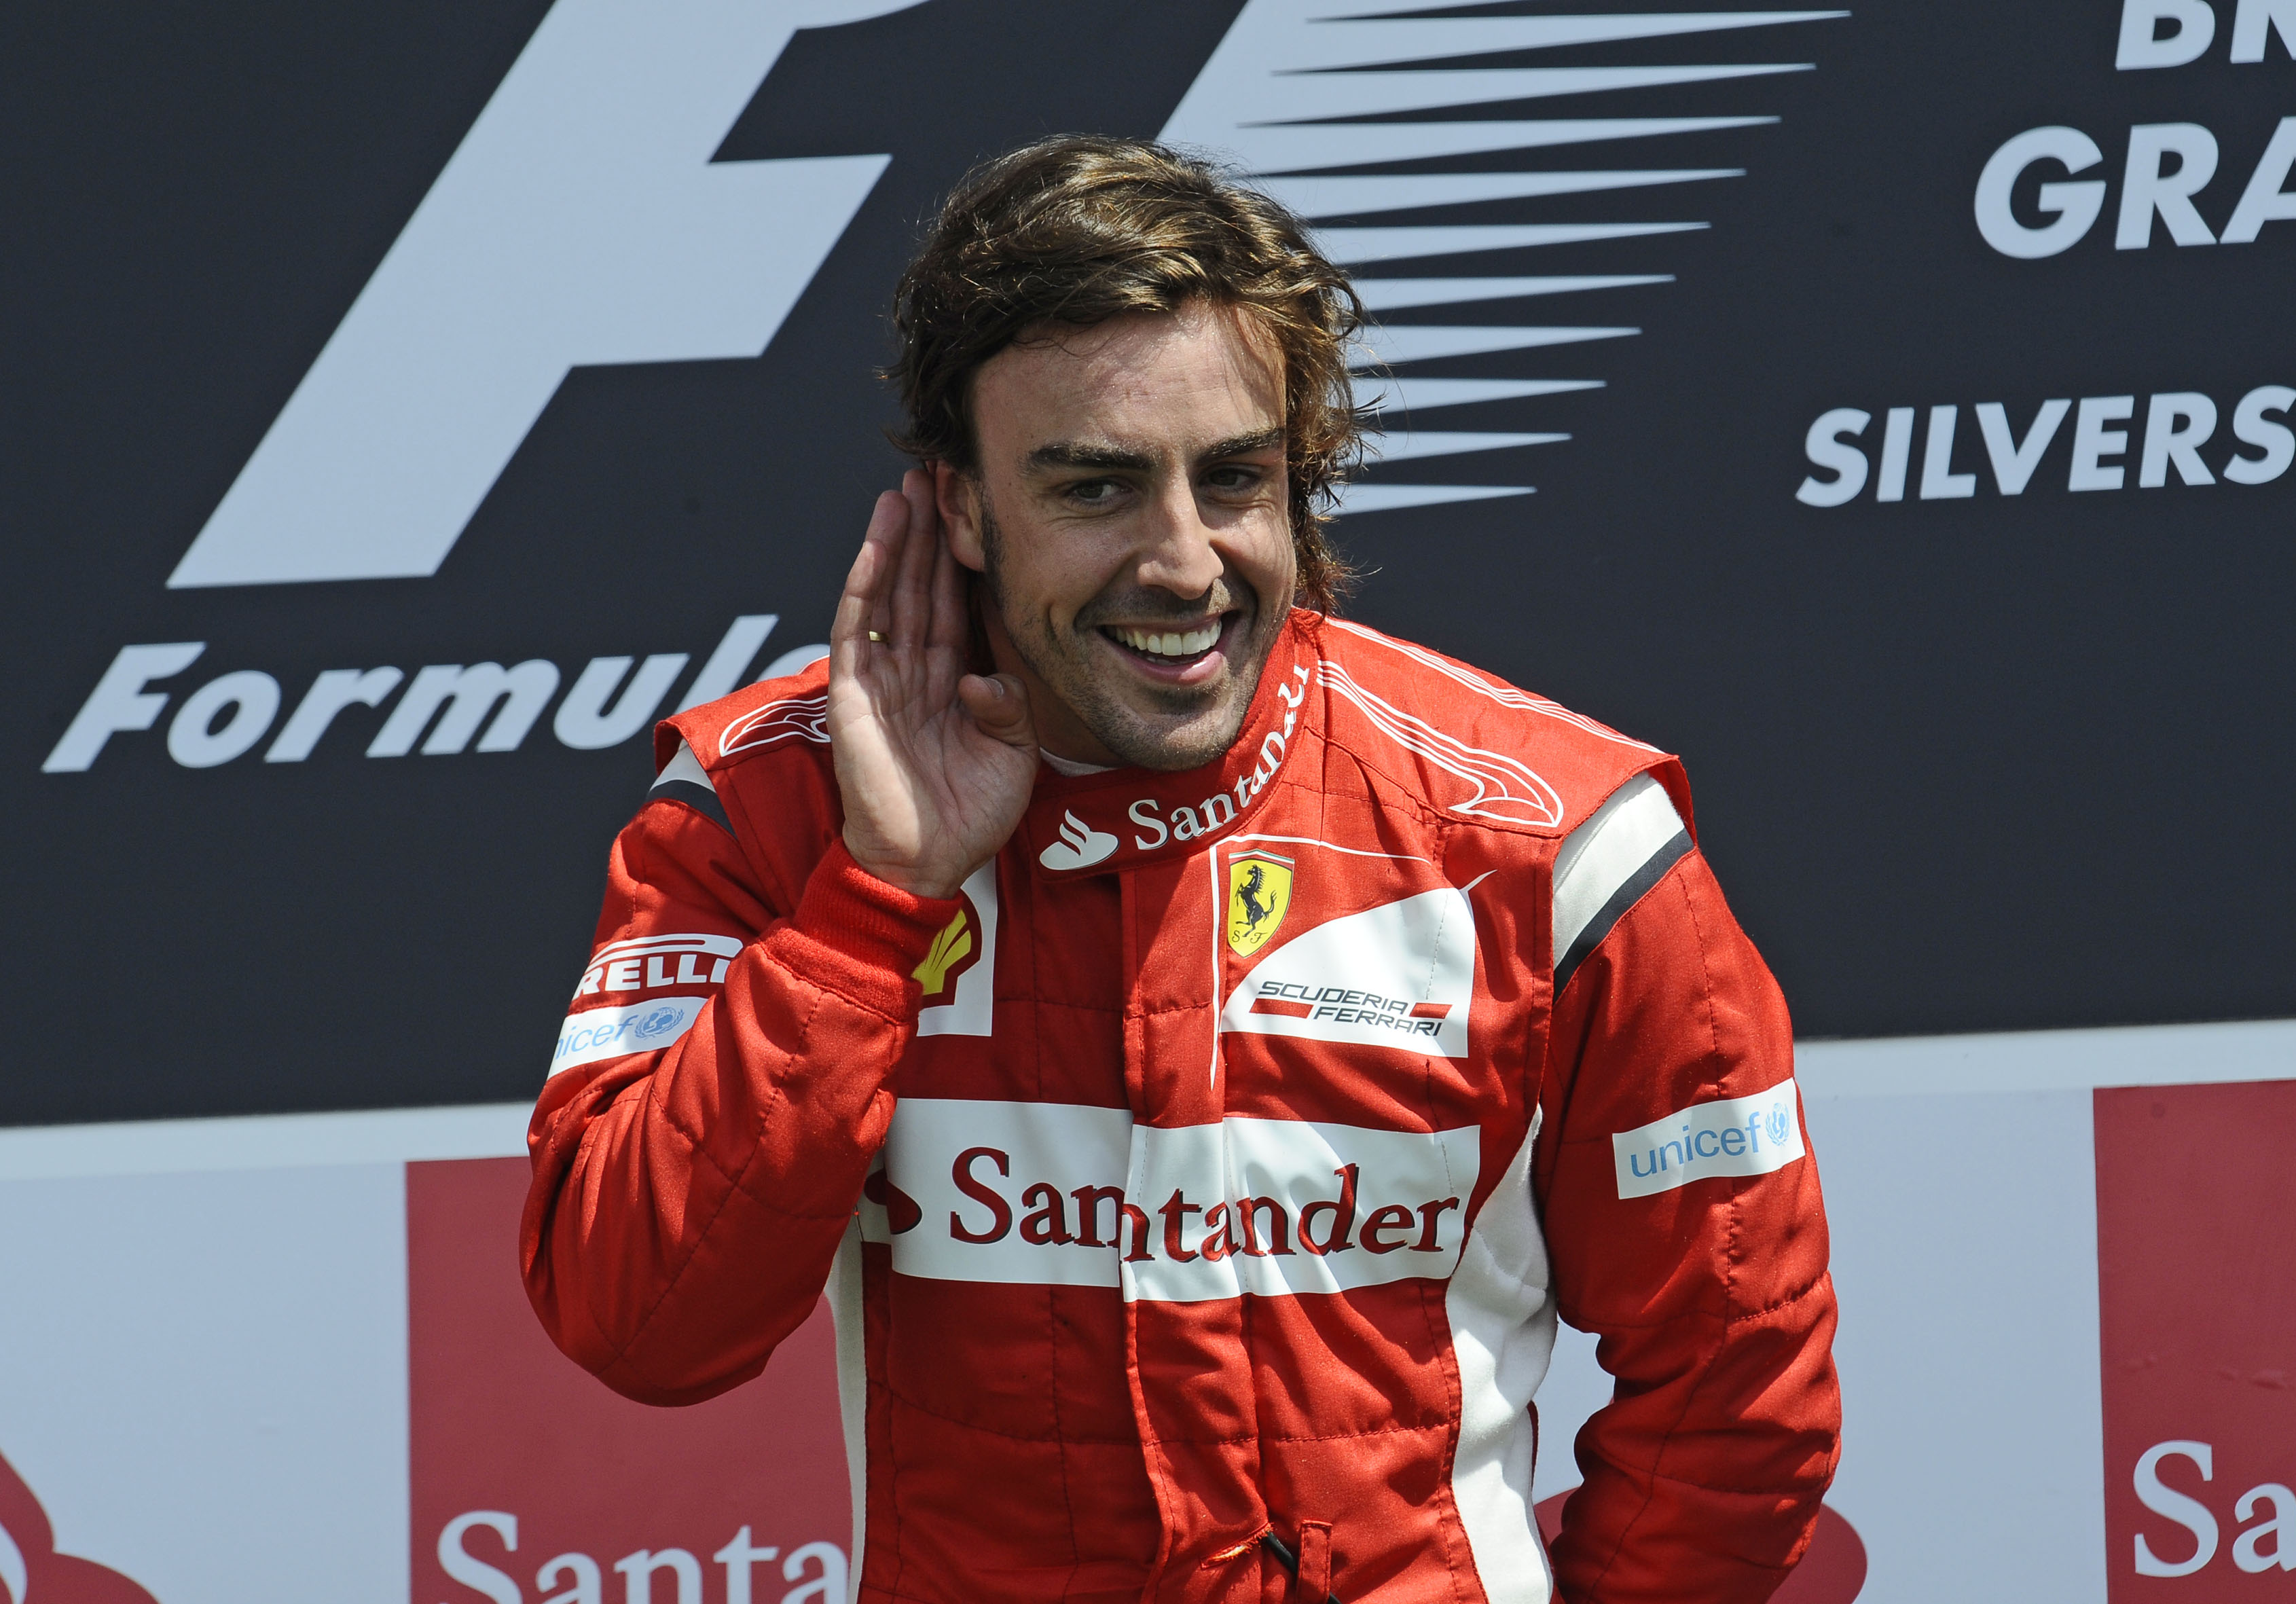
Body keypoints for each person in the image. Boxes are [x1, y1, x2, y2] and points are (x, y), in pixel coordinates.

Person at [522, 135, 1838, 1604]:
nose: (1184, 562)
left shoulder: (1552, 838)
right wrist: (874, 904)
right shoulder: (771, 806)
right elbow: (635, 1320)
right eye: (1095, 486)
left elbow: (1739, 1388)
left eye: (1233, 478)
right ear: (960, 506)